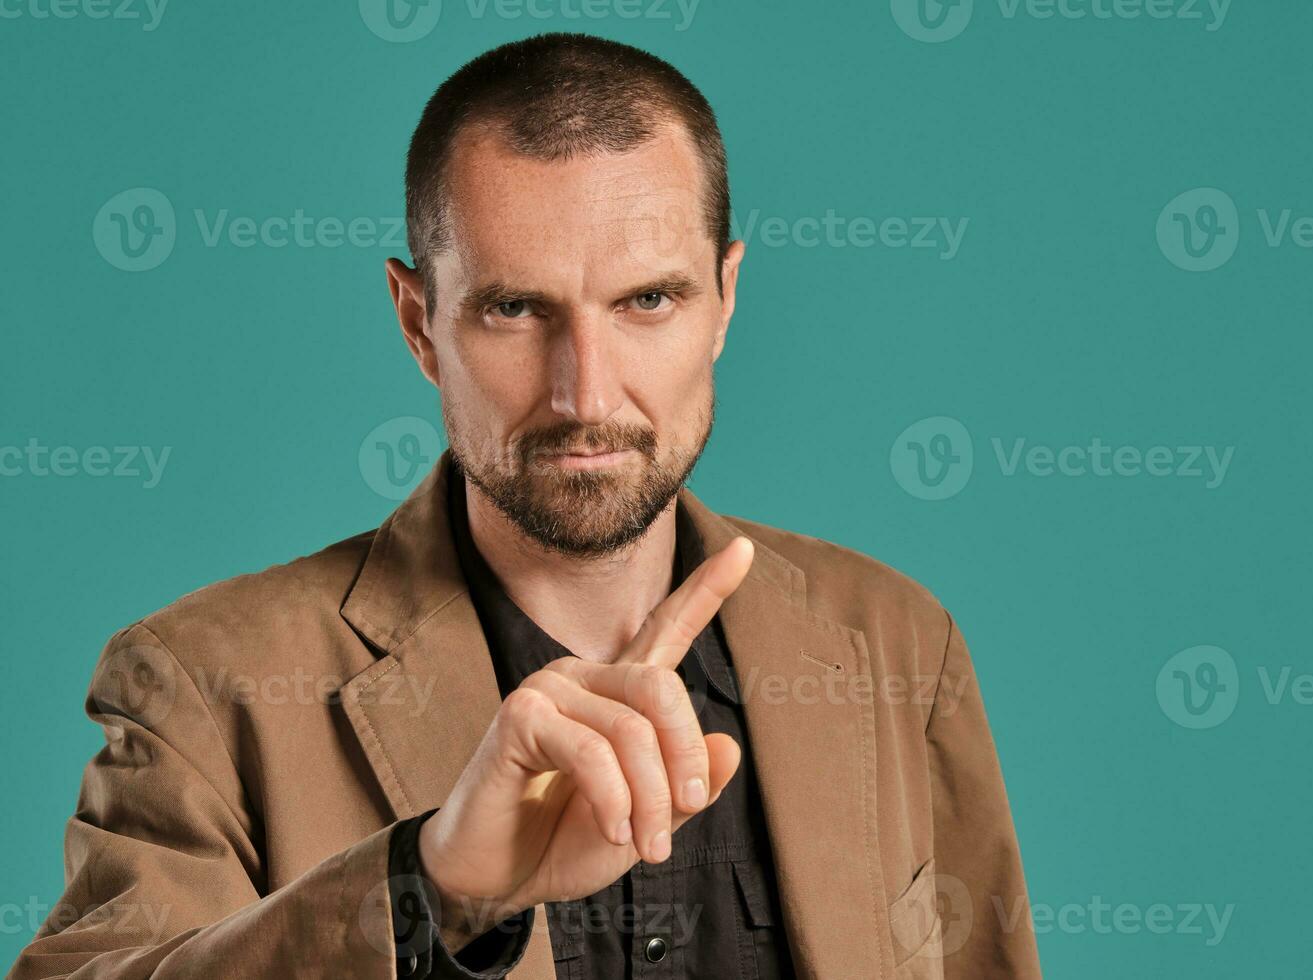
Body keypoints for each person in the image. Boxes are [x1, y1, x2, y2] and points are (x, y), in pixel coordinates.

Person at [8, 32, 1041, 980]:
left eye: (648, 300)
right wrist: (433, 884)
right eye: (513, 308)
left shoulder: (899, 645)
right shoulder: (200, 686)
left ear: (724, 300)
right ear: (419, 322)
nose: (584, 393)